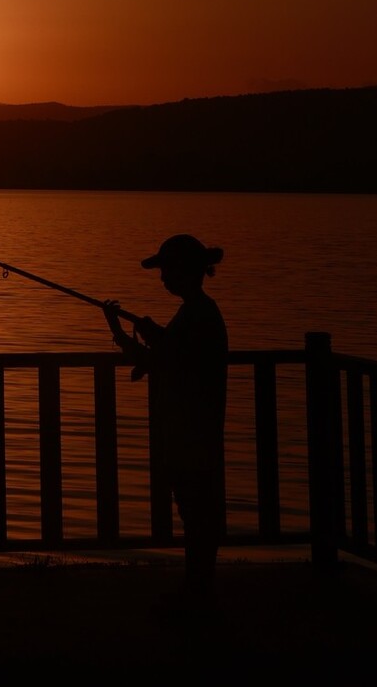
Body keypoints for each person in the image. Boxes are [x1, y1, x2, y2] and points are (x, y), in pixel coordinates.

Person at [103, 234, 228, 611]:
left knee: (197, 515)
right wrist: (150, 332)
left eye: (167, 271)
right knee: (195, 513)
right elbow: (173, 352)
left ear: (186, 272)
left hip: (192, 432)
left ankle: (198, 596)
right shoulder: (199, 312)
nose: (163, 279)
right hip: (194, 430)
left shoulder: (198, 314)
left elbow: (165, 360)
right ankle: (198, 591)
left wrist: (121, 332)